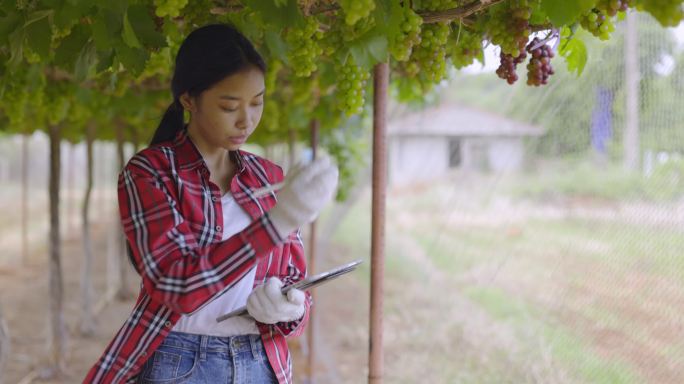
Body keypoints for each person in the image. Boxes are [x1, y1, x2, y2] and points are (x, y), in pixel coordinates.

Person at [83, 23, 338, 384]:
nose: (246, 120)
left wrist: (289, 308)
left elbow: (294, 277)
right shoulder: (151, 173)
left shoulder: (269, 176)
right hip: (179, 363)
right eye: (229, 105)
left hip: (260, 363)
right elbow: (178, 286)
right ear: (188, 99)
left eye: (257, 102)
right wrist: (277, 223)